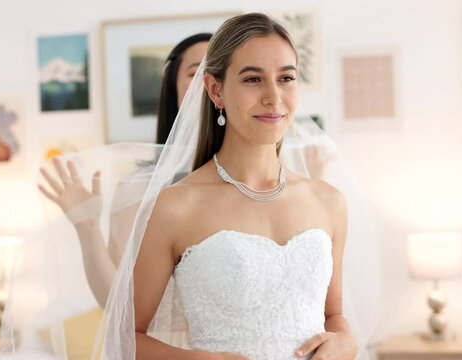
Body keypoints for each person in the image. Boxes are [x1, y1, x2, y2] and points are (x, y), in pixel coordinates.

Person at [90, 13, 365, 359]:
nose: (273, 96)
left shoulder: (328, 202)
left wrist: (346, 340)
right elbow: (124, 337)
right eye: (253, 79)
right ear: (215, 90)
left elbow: (334, 316)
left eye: (286, 78)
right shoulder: (176, 206)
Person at [38, 33, 212, 308]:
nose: (209, 81)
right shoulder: (139, 189)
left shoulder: (262, 180)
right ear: (173, 91)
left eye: (219, 70)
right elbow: (116, 306)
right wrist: (87, 226)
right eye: (195, 72)